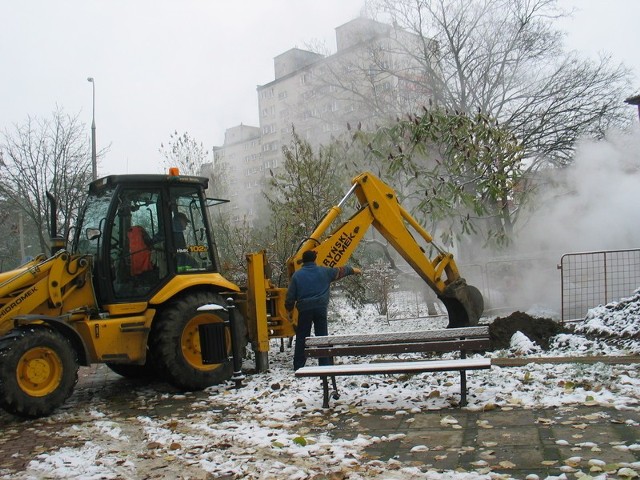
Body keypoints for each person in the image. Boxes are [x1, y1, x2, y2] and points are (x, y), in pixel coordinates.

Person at [285, 249, 362, 371]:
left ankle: (299, 366)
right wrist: (353, 270)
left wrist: (289, 310)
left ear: (303, 261)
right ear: (314, 260)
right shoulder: (324, 272)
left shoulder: (297, 276)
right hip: (320, 308)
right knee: (322, 336)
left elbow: (290, 297)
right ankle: (324, 364)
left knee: (302, 337)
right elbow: (340, 271)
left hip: (304, 310)